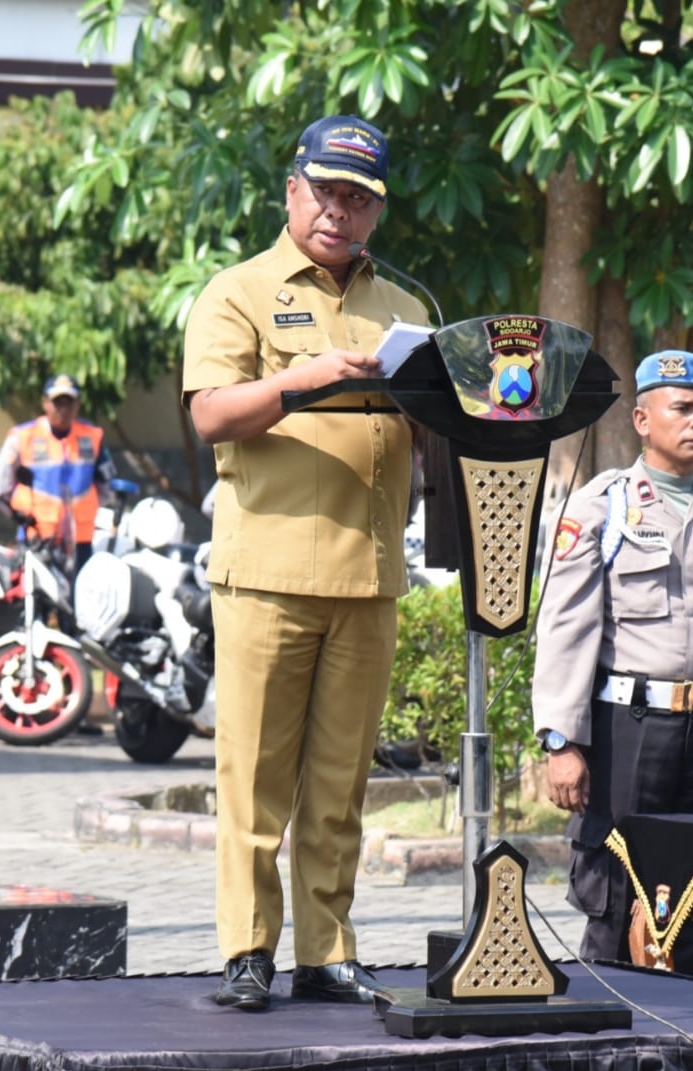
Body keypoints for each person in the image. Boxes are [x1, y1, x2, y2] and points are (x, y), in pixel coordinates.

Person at [182, 114, 427, 1011]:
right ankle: (247, 951)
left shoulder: (406, 310)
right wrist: (305, 379)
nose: (339, 211)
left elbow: (434, 426)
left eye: (358, 197)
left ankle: (327, 952)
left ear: (377, 211)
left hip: (367, 578)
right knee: (253, 780)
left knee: (340, 783)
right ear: (292, 190)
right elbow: (210, 414)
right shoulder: (238, 293)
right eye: (325, 191)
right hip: (268, 576)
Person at [532, 350, 693, 975]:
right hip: (630, 731)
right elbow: (566, 629)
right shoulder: (602, 508)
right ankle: (610, 1028)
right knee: (617, 890)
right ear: (643, 420)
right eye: (683, 408)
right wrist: (561, 741)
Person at [0, 373, 116, 572]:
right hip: (37, 539)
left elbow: (107, 487)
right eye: (58, 403)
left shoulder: (92, 437)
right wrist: (20, 517)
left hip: (80, 541)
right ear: (45, 403)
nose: (63, 410)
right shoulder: (23, 436)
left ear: (78, 405)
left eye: (69, 403)